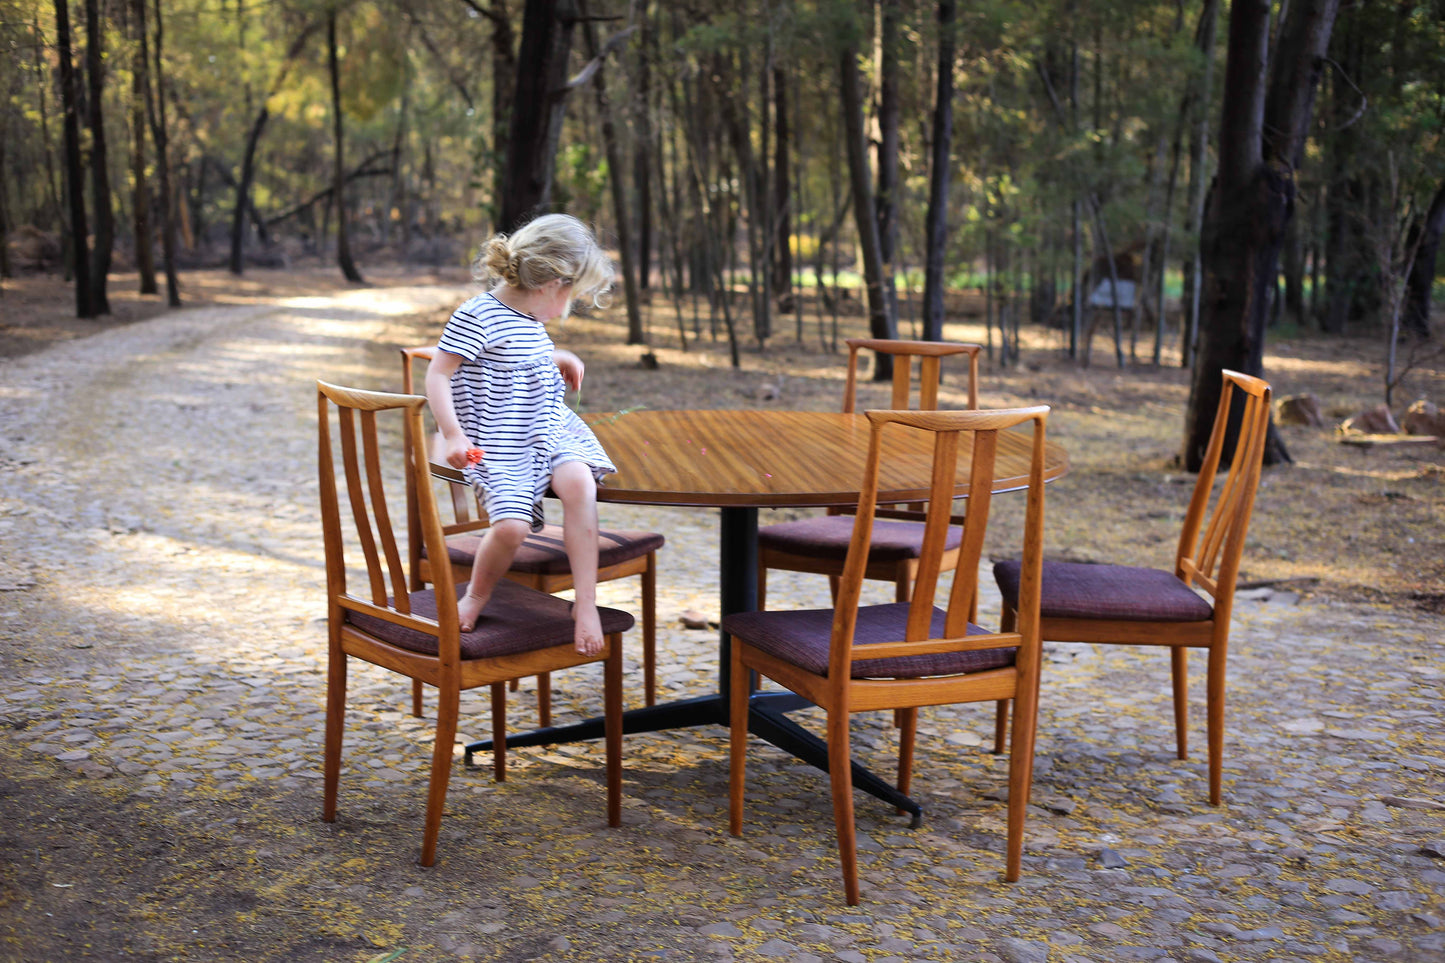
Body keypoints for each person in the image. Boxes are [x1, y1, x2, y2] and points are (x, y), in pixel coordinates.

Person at [425, 214, 616, 655]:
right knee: (511, 527)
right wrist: (453, 435)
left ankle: (584, 603)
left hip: (546, 428)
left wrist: (557, 357)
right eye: (573, 295)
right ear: (552, 282)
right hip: (498, 441)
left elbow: (514, 359)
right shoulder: (476, 315)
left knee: (579, 484)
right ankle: (475, 593)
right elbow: (438, 374)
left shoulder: (528, 316)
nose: (570, 307)